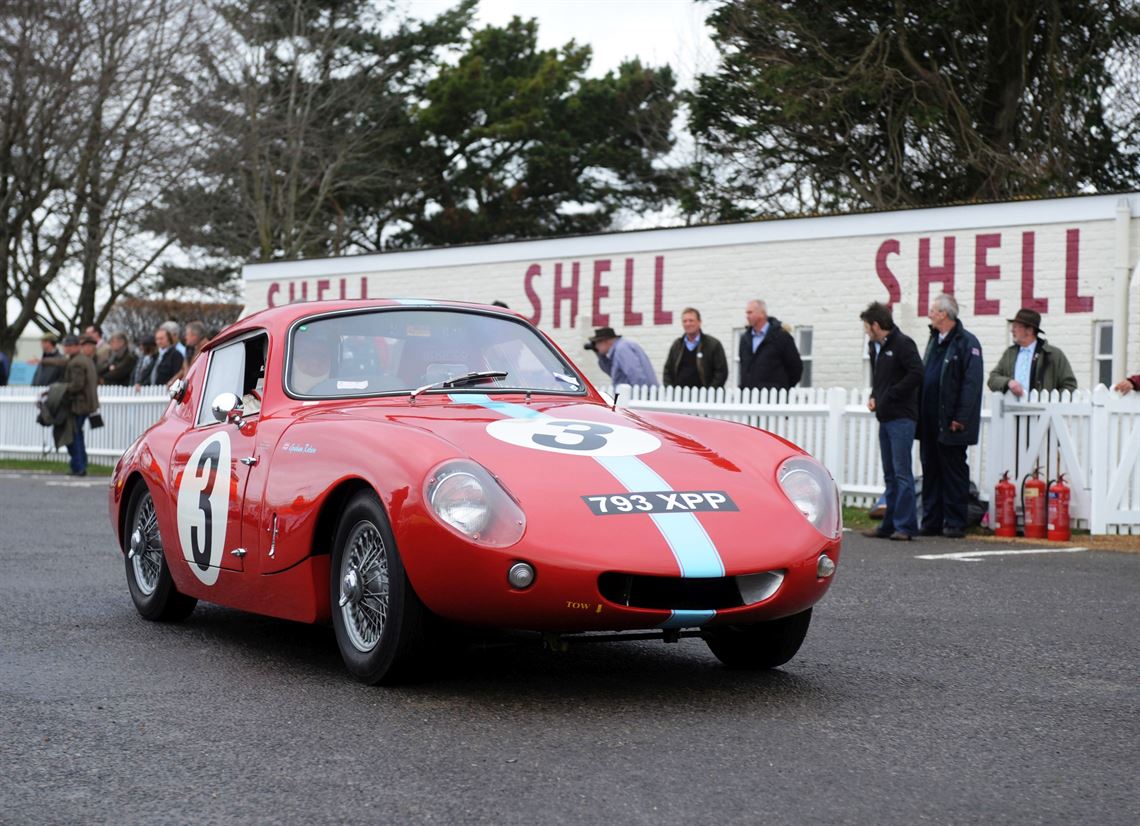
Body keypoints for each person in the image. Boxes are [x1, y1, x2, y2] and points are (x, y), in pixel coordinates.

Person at [918, 293, 984, 539]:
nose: (930, 314)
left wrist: (961, 417)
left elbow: (971, 384)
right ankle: (931, 521)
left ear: (944, 314)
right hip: (930, 420)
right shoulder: (934, 340)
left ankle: (955, 522)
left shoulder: (967, 342)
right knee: (931, 470)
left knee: (954, 472)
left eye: (933, 310)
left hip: (952, 422)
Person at [860, 302, 923, 541]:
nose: (866, 331)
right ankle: (889, 524)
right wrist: (875, 396)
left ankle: (905, 526)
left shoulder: (903, 344)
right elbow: (880, 379)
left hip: (902, 418)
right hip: (885, 416)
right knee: (890, 474)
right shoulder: (875, 347)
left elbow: (917, 373)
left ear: (876, 325)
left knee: (902, 473)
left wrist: (892, 394)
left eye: (867, 326)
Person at [987, 308, 1077, 397]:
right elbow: (992, 379)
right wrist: (1008, 382)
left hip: (1043, 410)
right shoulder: (1010, 353)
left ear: (1029, 330)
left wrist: (1050, 402)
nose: (1012, 330)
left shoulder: (1053, 355)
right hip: (1012, 409)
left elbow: (1070, 386)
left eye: (1016, 326)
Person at [738, 299, 803, 391]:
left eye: (750, 313)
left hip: (774, 398)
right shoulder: (745, 339)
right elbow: (743, 366)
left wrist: (781, 388)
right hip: (749, 397)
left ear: (762, 313)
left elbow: (795, 367)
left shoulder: (781, 337)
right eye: (747, 313)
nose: (747, 316)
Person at [61, 335, 99, 476]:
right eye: (66, 345)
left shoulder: (76, 362)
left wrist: (61, 389)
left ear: (77, 346)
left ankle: (79, 466)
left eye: (69, 346)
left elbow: (77, 385)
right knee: (79, 434)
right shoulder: (85, 359)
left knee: (75, 434)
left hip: (79, 404)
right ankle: (80, 464)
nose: (66, 348)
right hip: (87, 403)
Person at [662, 307, 728, 389]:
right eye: (685, 321)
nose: (688, 324)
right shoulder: (677, 345)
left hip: (704, 397)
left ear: (699, 322)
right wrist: (670, 389)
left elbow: (721, 372)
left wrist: (709, 392)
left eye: (691, 320)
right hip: (679, 397)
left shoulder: (713, 345)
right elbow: (667, 371)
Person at [587, 326, 658, 387]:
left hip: (639, 397)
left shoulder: (622, 349)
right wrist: (601, 356)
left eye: (597, 343)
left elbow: (635, 373)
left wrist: (639, 397)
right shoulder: (619, 348)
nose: (596, 346)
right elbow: (613, 373)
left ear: (605, 341)